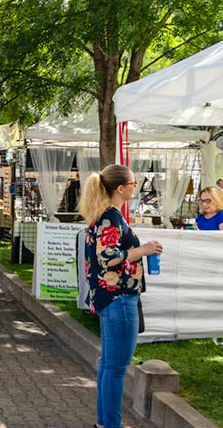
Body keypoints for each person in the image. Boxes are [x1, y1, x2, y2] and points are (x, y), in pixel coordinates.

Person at [79, 164, 163, 428]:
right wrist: (144, 249)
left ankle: (105, 423)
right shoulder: (111, 217)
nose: (135, 187)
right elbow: (109, 258)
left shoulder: (103, 215)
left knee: (108, 365)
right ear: (120, 188)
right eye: (133, 184)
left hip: (109, 298)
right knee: (115, 369)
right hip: (119, 298)